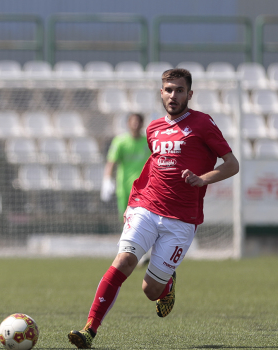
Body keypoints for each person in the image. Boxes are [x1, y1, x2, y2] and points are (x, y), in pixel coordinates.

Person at [68, 68, 239, 349]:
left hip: (182, 220)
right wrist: (133, 202)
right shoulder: (153, 128)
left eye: (179, 90)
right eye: (169, 89)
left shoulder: (203, 124)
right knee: (123, 261)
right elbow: (153, 170)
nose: (173, 95)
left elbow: (232, 164)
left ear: (190, 94)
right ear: (161, 93)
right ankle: (89, 329)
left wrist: (202, 179)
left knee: (151, 290)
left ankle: (167, 284)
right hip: (146, 207)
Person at [101, 113, 150, 217]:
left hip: (144, 189)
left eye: (138, 122)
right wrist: (107, 180)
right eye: (133, 122)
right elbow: (111, 161)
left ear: (142, 124)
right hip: (124, 188)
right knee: (125, 218)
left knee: (142, 219)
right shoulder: (120, 141)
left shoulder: (148, 142)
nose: (135, 125)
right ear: (128, 124)